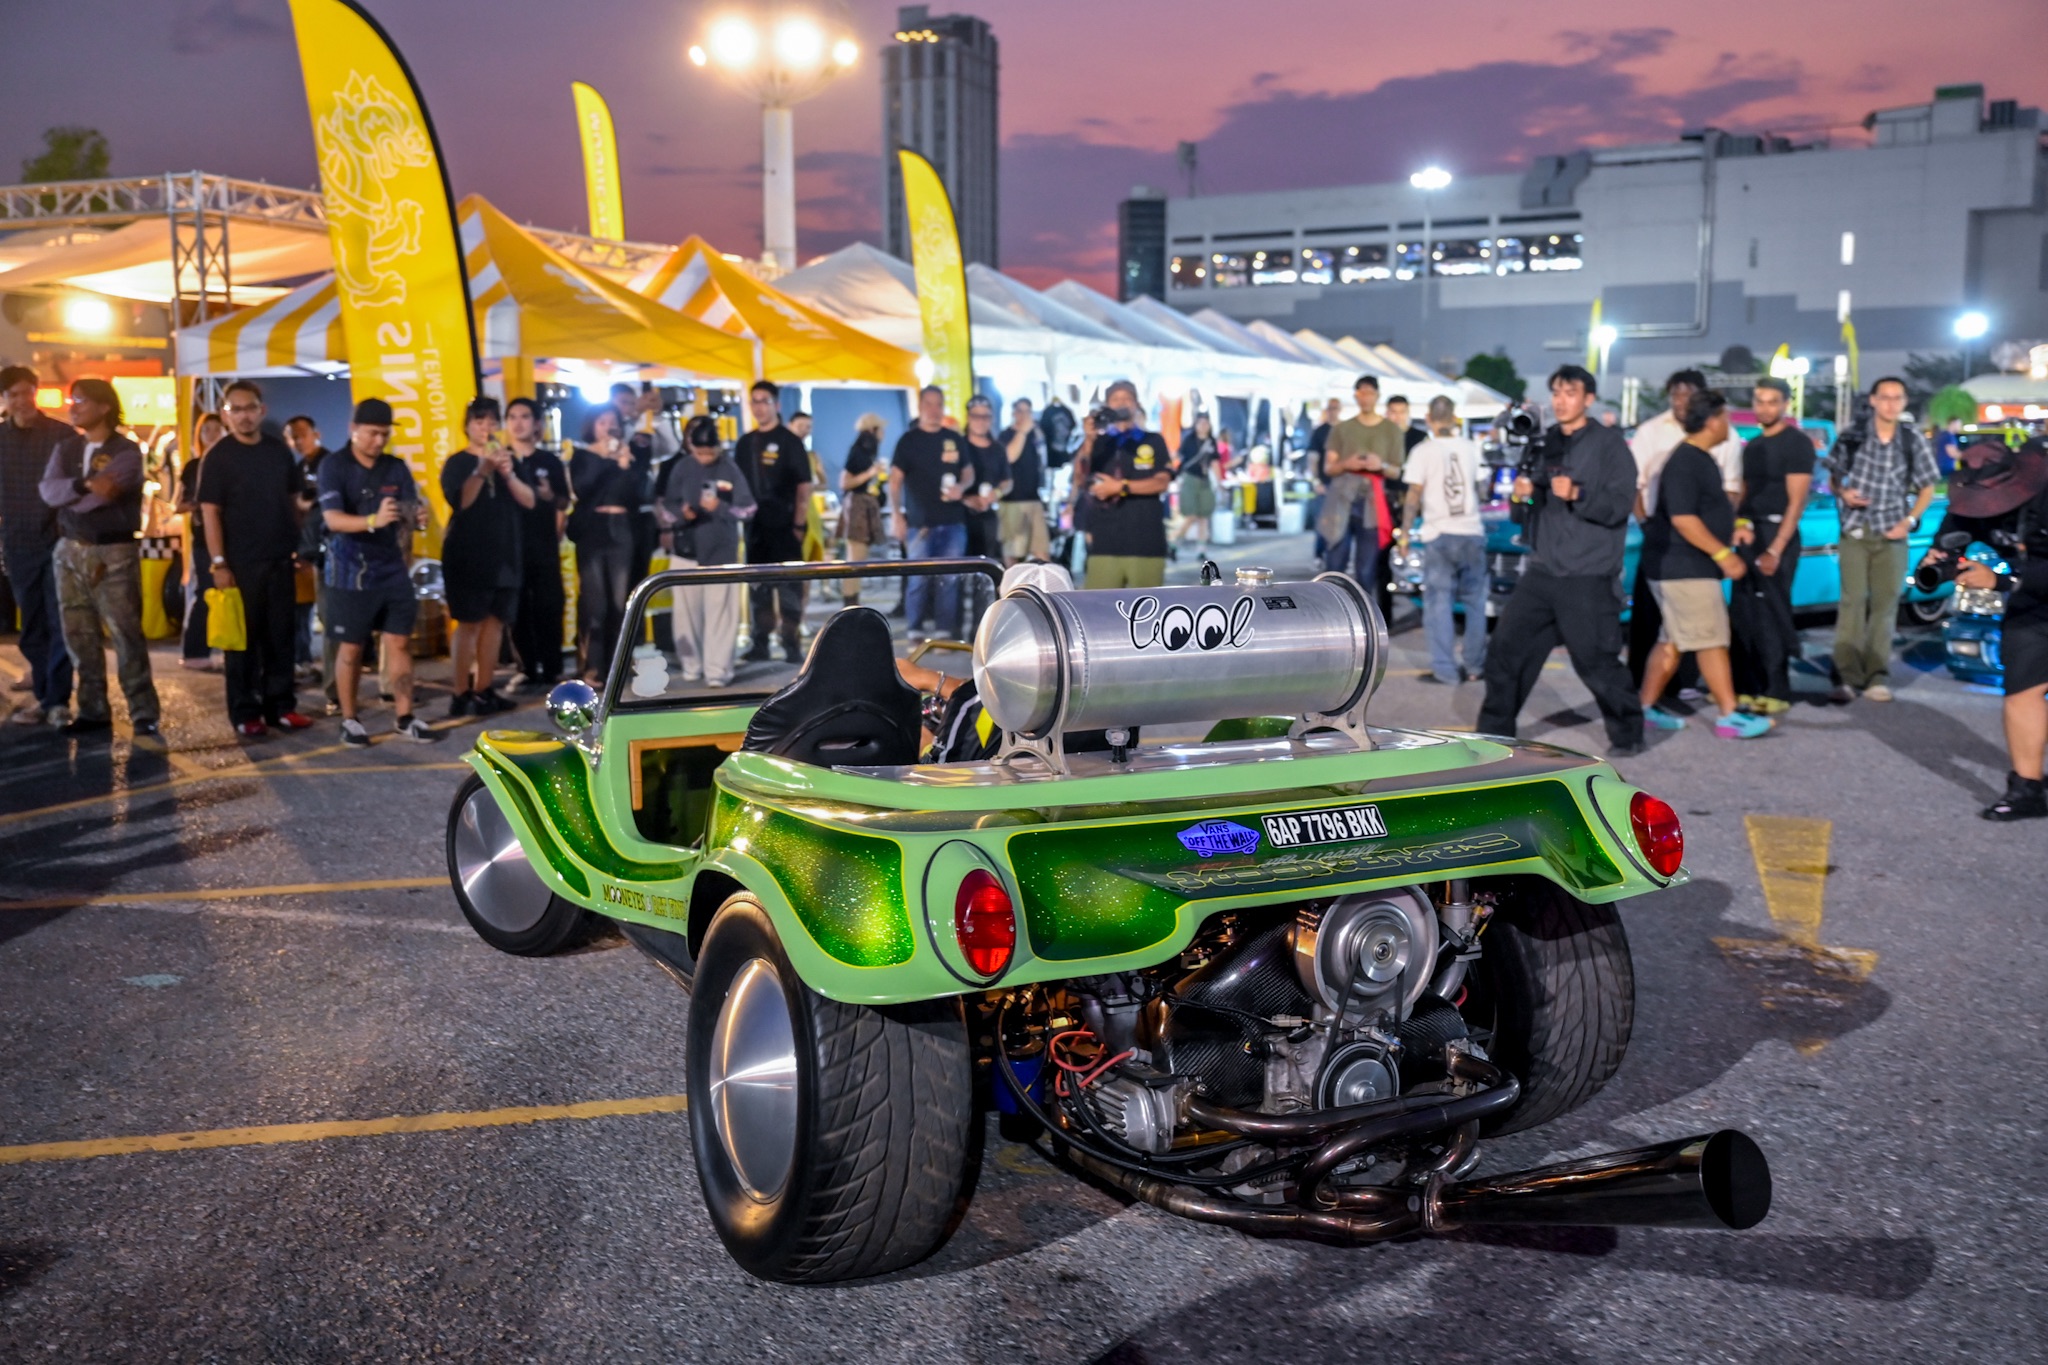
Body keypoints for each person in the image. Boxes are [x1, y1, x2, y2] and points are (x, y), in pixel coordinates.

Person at [1477, 366, 1644, 756]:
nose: (1561, 401)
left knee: (1596, 662)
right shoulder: (1545, 442)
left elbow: (1619, 506)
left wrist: (1577, 493)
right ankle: (1493, 736)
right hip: (1542, 571)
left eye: (1570, 393)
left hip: (1588, 574)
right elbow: (1524, 512)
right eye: (1556, 393)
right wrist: (1521, 496)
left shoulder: (1610, 445)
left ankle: (1628, 733)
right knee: (1505, 652)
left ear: (1588, 399)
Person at [1922, 438, 2048, 818]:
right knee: (2022, 688)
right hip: (2030, 603)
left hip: (2029, 583)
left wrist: (2002, 581)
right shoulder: (1971, 497)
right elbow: (1949, 541)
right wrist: (1938, 560)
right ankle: (2027, 789)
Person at [1636, 391, 1772, 740]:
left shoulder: (1700, 459)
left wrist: (1733, 526)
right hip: (1685, 567)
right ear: (1711, 421)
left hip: (1680, 566)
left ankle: (1643, 710)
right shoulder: (1686, 461)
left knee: (1672, 642)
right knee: (1711, 640)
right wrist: (1723, 555)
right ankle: (1729, 716)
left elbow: (1708, 511)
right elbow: (1684, 519)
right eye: (1725, 417)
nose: (1729, 423)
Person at [38, 379, 162, 736]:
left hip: (114, 551)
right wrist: (84, 484)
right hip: (69, 549)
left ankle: (143, 711)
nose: (73, 407)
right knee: (78, 633)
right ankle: (92, 710)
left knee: (125, 632)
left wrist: (73, 492)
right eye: (72, 400)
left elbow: (105, 494)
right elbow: (48, 491)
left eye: (81, 400)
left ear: (105, 406)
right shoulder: (66, 447)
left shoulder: (126, 450)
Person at [316, 398, 436, 746]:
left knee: (399, 642)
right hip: (348, 571)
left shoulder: (395, 467)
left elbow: (410, 509)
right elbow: (332, 519)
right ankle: (350, 719)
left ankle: (405, 717)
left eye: (385, 434)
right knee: (352, 647)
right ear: (353, 429)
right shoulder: (334, 465)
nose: (379, 441)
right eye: (372, 433)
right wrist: (373, 519)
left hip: (392, 568)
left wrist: (418, 518)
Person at [199, 379, 313, 738]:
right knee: (242, 644)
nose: (244, 416)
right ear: (225, 414)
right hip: (239, 566)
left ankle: (281, 707)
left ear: (261, 411)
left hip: (280, 559)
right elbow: (210, 512)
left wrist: (302, 547)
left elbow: (293, 502)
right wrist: (219, 563)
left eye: (250, 408)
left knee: (281, 638)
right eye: (236, 410)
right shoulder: (218, 457)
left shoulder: (279, 452)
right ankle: (245, 712)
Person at [1825, 376, 1940, 703]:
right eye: (1885, 397)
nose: (1891, 404)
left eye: (1897, 397)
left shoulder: (1911, 438)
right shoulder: (1854, 435)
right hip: (1856, 529)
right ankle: (1847, 676)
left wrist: (1909, 521)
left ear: (1904, 402)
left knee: (1886, 605)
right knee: (1852, 601)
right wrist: (1843, 492)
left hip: (1893, 531)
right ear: (1873, 400)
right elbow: (1833, 476)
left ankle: (1877, 675)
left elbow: (1928, 487)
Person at [1626, 369, 1742, 685]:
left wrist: (1725, 530)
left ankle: (1661, 696)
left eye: (1687, 394)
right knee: (1683, 630)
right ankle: (1726, 709)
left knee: (1676, 635)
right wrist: (1647, 525)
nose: (1680, 401)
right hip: (1670, 546)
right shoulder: (1658, 437)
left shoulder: (1720, 442)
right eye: (1675, 394)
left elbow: (1732, 488)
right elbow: (1641, 489)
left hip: (1700, 550)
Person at [441, 397, 533, 716]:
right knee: (469, 623)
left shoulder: (509, 459)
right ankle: (460, 693)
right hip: (468, 555)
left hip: (505, 554)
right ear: (467, 426)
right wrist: (482, 470)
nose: (486, 428)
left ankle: (483, 689)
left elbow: (530, 501)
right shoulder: (457, 463)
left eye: (492, 422)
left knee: (495, 623)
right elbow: (461, 502)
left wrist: (508, 474)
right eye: (479, 422)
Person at [1729, 377, 1814, 712]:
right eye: (1759, 401)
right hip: (1750, 534)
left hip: (1779, 535)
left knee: (1771, 613)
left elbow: (1797, 502)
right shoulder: (1753, 446)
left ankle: (1776, 691)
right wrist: (1738, 523)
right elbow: (1744, 494)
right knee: (1744, 612)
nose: (1764, 408)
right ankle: (1746, 687)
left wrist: (1776, 549)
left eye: (1772, 402)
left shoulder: (1797, 443)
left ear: (1785, 405)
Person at [0, 365, 75, 726]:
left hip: (58, 542)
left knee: (60, 622)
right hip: (17, 543)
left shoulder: (62, 435)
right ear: (4, 399)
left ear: (36, 392)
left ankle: (54, 700)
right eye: (13, 394)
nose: (21, 401)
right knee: (31, 625)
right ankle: (46, 693)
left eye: (26, 392)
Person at [661, 414, 757, 688]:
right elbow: (666, 506)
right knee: (686, 615)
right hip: (686, 550)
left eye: (709, 453)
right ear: (691, 447)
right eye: (699, 452)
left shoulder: (729, 468)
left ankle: (718, 671)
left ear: (718, 447)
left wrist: (722, 508)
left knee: (721, 614)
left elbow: (748, 508)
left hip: (720, 552)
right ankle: (692, 665)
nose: (704, 458)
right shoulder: (682, 467)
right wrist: (682, 514)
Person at [1401, 395, 1489, 686]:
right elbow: (1483, 490)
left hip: (1439, 534)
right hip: (1471, 532)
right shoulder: (1471, 448)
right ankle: (1475, 666)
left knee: (1439, 604)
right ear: (1454, 418)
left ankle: (1445, 671)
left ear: (1428, 418)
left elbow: (1413, 495)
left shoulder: (1422, 451)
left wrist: (1404, 534)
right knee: (1475, 601)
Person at [733, 380, 811, 663]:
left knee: (789, 588)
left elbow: (804, 487)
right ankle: (760, 643)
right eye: (754, 401)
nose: (759, 407)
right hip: (755, 529)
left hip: (786, 527)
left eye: (764, 401)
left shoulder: (790, 442)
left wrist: (799, 524)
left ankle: (791, 644)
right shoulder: (745, 443)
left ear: (776, 405)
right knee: (758, 588)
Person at [567, 409, 641, 680]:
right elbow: (582, 487)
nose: (609, 427)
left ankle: (618, 665)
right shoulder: (583, 456)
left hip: (621, 528)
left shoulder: (627, 455)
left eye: (613, 422)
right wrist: (604, 459)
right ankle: (592, 666)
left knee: (620, 601)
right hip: (593, 529)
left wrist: (626, 464)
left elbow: (638, 495)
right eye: (602, 422)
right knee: (594, 601)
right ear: (592, 426)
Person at [891, 385, 970, 635]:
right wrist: (896, 515)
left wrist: (962, 486)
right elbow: (895, 481)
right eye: (929, 404)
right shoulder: (908, 440)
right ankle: (914, 630)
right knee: (918, 580)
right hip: (919, 523)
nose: (934, 410)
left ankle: (943, 631)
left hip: (953, 521)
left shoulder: (954, 439)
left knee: (949, 580)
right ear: (920, 406)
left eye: (939, 404)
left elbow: (968, 472)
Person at [1081, 379, 1172, 590]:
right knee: (1098, 607)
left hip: (1145, 542)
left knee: (1148, 607)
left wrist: (1120, 487)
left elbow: (1162, 482)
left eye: (1127, 398)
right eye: (1115, 399)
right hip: (1104, 542)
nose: (1122, 402)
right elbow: (1080, 477)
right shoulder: (1098, 442)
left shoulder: (1153, 440)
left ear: (1137, 404)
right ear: (1107, 406)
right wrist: (1089, 439)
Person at [1318, 375, 1405, 593]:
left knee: (1366, 569)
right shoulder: (1342, 428)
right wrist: (1347, 463)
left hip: (1372, 501)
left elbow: (1397, 470)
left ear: (1377, 396)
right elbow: (1329, 467)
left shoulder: (1391, 430)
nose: (1365, 398)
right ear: (1355, 396)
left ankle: (1363, 609)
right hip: (1341, 498)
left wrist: (1380, 465)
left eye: (1370, 393)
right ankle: (1332, 608)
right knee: (1335, 563)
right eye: (1361, 393)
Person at [503, 397, 568, 690]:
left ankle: (552, 667)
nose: (518, 423)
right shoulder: (500, 459)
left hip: (543, 544)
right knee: (516, 609)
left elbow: (563, 501)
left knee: (549, 605)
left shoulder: (548, 461)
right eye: (512, 417)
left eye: (525, 417)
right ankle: (526, 667)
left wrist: (549, 496)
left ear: (537, 423)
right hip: (510, 547)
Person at [174, 410, 225, 674]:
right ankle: (195, 651)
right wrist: (200, 505)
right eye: (207, 430)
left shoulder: (231, 461)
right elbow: (178, 504)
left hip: (233, 536)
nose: (212, 434)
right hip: (203, 538)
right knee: (206, 591)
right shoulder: (193, 466)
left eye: (217, 429)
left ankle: (230, 646)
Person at [283, 414, 328, 679]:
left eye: (303, 435)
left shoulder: (330, 463)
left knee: (331, 608)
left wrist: (304, 502)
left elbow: (323, 502)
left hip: (329, 545)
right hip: (305, 547)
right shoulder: (298, 468)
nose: (299, 441)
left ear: (316, 434)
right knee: (302, 608)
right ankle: (303, 659)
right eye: (293, 437)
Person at [837, 413, 887, 607]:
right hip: (858, 509)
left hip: (862, 507)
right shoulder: (859, 451)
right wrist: (870, 473)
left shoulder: (864, 450)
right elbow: (844, 482)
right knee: (855, 559)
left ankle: (852, 601)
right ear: (873, 429)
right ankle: (850, 603)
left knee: (858, 558)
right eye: (881, 429)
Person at [999, 398, 1050, 564]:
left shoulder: (1036, 434)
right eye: (1020, 411)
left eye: (1028, 411)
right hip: (1013, 501)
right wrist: (1021, 432)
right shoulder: (1006, 435)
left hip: (1034, 499)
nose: (1025, 415)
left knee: (1042, 553)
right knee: (1014, 553)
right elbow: (1009, 457)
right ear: (1014, 413)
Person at [960, 396, 1009, 563]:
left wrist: (996, 493)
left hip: (989, 516)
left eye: (985, 416)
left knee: (989, 563)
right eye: (976, 416)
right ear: (968, 418)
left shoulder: (998, 448)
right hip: (961, 517)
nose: (981, 421)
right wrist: (966, 499)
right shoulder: (959, 446)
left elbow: (1007, 481)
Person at [1174, 412, 1220, 557]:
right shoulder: (1189, 440)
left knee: (1203, 516)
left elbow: (1215, 462)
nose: (1203, 426)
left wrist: (1219, 482)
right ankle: (1174, 543)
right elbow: (1178, 457)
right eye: (1200, 423)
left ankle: (1201, 549)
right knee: (1191, 515)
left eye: (1206, 423)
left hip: (1205, 480)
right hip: (1190, 479)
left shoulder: (1212, 441)